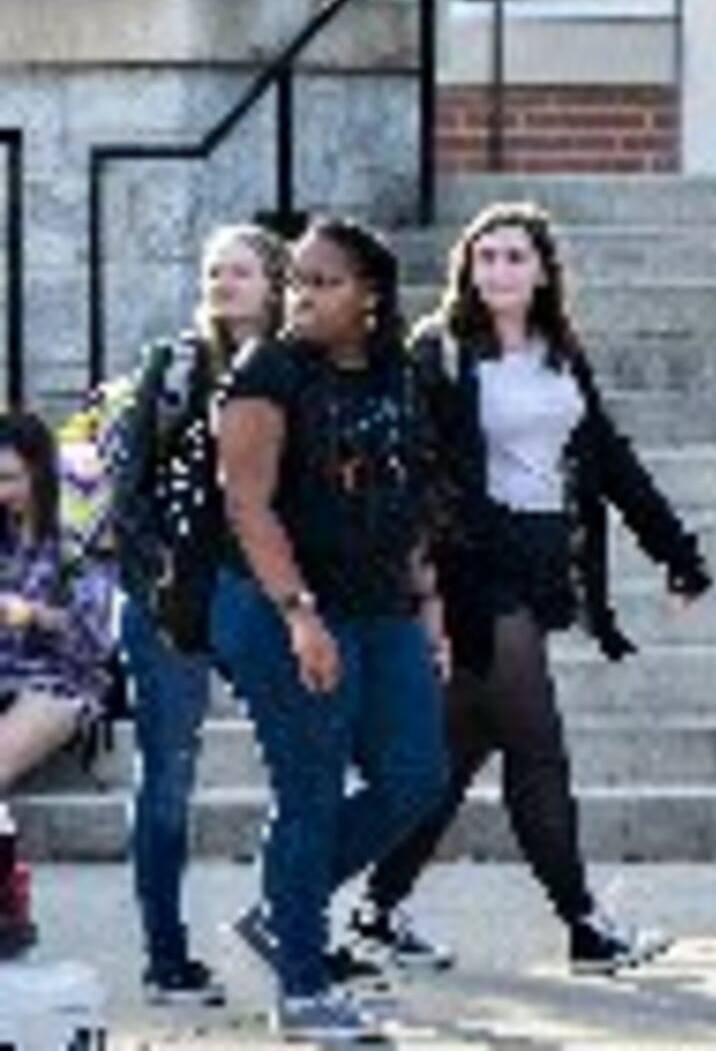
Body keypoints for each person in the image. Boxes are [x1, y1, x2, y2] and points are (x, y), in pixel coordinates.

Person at [353, 204, 710, 975]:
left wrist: (677, 552)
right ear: (466, 270)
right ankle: (585, 925)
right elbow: (416, 476)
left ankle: (377, 908)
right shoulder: (440, 352)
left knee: (456, 749)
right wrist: (423, 594)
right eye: (486, 258)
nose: (500, 272)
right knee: (536, 745)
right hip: (472, 569)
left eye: (515, 257)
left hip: (543, 564)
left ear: (542, 269)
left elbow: (607, 458)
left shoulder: (560, 353)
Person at [209, 214, 452, 1047]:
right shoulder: (266, 370)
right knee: (309, 792)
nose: (301, 295)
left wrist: (430, 608)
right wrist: (299, 616)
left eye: (324, 281)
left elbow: (417, 498)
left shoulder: (399, 373)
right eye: (298, 280)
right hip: (281, 605)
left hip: (382, 607)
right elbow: (248, 503)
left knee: (418, 775)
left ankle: (285, 908)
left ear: (371, 295)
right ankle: (304, 992)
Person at [113, 222, 281, 1006]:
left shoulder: (296, 370)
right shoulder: (174, 365)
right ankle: (165, 958)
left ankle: (289, 921)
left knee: (311, 763)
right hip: (171, 602)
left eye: (240, 271)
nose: (223, 283)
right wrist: (157, 585)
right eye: (215, 271)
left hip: (265, 598)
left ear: (275, 282)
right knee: (167, 778)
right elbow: (127, 490)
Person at [0, 407, 119, 960]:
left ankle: (8, 904)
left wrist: (30, 615)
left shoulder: (72, 542)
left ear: (39, 474)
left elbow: (94, 644)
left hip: (57, 680)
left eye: (8, 478)